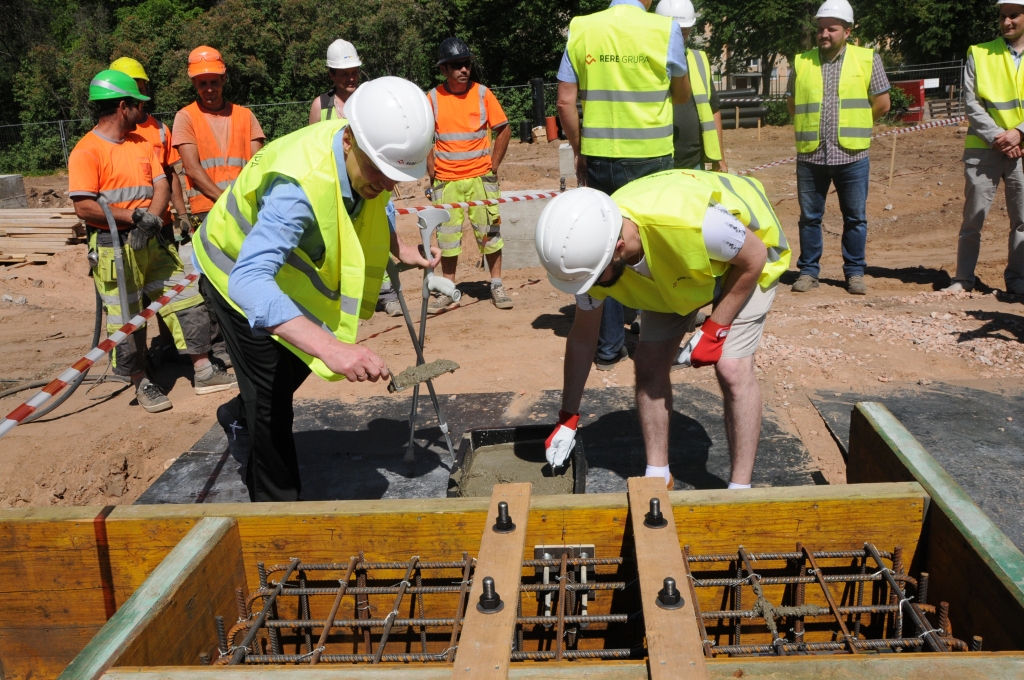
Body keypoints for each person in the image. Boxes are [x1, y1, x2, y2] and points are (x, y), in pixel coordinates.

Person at [192, 77, 440, 502]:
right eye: (380, 172)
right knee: (270, 399)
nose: (385, 184)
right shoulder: (298, 188)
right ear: (348, 141)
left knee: (298, 356)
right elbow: (250, 281)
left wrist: (403, 250)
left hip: (279, 279)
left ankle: (237, 414)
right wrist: (333, 348)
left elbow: (373, 206)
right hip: (234, 272)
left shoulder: (366, 153)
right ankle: (277, 512)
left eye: (394, 177)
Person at [536, 170, 791, 490]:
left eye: (594, 278)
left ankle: (740, 491)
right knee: (648, 362)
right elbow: (584, 337)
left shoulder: (692, 224)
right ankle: (658, 477)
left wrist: (715, 329)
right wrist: (568, 417)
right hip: (678, 270)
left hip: (747, 253)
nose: (589, 287)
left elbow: (753, 257)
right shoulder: (589, 256)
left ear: (618, 247)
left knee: (732, 368)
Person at [68, 71, 235, 413]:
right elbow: (84, 206)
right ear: (122, 106)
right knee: (126, 318)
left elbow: (161, 183)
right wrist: (133, 219)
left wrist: (152, 220)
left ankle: (202, 369)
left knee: (185, 300)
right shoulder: (87, 151)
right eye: (137, 105)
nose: (143, 111)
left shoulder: (140, 143)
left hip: (154, 239)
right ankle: (140, 381)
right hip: (114, 247)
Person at [556, 0, 692, 370]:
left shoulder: (582, 27)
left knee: (605, 247)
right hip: (652, 158)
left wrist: (580, 151)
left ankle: (607, 348)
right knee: (656, 244)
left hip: (601, 158)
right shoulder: (665, 30)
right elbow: (681, 95)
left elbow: (565, 101)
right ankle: (656, 343)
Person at [787, 0, 890, 296]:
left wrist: (854, 122)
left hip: (852, 154)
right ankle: (808, 271)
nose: (824, 34)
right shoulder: (802, 61)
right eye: (820, 29)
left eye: (831, 29)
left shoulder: (867, 58)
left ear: (847, 31)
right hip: (811, 153)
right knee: (809, 218)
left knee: (855, 217)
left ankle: (855, 272)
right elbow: (793, 105)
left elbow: (882, 104)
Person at [174, 46, 266, 366]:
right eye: (202, 83)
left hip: (245, 211)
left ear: (223, 78)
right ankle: (223, 346)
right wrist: (226, 200)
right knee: (213, 283)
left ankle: (254, 337)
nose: (209, 89)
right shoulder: (186, 118)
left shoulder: (245, 116)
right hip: (208, 212)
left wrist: (241, 204)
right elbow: (192, 169)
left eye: (214, 81)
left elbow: (258, 164)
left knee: (250, 275)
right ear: (194, 84)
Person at [425, 37, 513, 312]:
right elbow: (423, 138)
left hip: (480, 180)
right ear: (444, 70)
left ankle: (496, 285)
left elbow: (504, 128)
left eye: (466, 64)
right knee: (447, 239)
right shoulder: (432, 98)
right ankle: (448, 289)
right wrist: (432, 173)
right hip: (447, 182)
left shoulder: (483, 93)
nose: (463, 69)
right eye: (456, 65)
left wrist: (493, 165)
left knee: (491, 234)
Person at [945, 0, 1024, 294]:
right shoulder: (979, 53)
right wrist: (1000, 137)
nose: (1007, 22)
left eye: (1014, 15)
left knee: (1022, 221)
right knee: (972, 219)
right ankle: (963, 279)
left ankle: (1018, 281)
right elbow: (971, 103)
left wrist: (1019, 133)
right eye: (1003, 16)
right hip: (984, 147)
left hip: (1021, 148)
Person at [656, 0, 727, 173]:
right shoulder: (650, 60)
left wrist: (720, 158)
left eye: (684, 32)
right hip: (657, 160)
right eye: (674, 32)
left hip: (693, 161)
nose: (679, 38)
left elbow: (713, 110)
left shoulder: (699, 60)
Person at [308, 39, 361, 124]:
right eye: (345, 74)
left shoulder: (367, 101)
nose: (351, 78)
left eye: (354, 72)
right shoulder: (320, 105)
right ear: (332, 75)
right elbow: (312, 137)